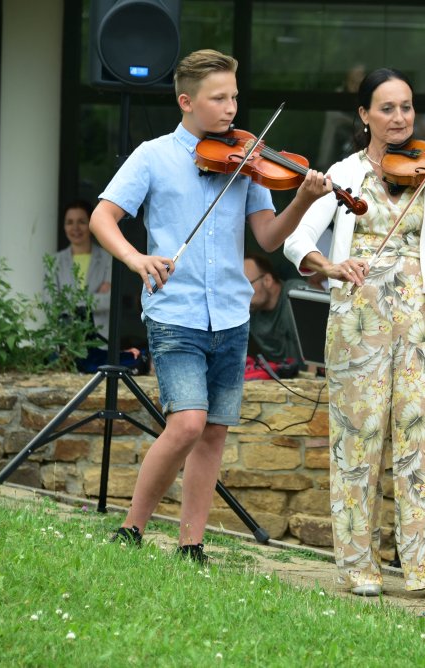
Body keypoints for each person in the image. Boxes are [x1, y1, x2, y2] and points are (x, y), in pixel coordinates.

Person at [90, 49, 331, 562]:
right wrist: (136, 258)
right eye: (218, 98)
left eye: (235, 97)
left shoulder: (246, 161)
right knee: (187, 424)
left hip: (231, 313)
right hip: (174, 312)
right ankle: (132, 527)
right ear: (186, 101)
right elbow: (103, 218)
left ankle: (191, 543)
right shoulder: (153, 156)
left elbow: (267, 237)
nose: (231, 108)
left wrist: (304, 201)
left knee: (214, 431)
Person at [283, 67, 425, 598]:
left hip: (424, 320)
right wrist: (328, 267)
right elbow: (296, 241)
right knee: (359, 441)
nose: (400, 118)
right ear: (364, 115)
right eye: (387, 108)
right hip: (358, 321)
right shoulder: (344, 173)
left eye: (406, 107)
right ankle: (359, 568)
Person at [50, 199, 112, 344]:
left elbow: (109, 301)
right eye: (70, 222)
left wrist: (68, 300)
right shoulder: (53, 262)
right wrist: (94, 297)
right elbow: (52, 304)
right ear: (64, 226)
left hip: (99, 339)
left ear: (91, 224)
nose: (75, 228)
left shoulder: (108, 258)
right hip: (65, 341)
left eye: (82, 222)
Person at [244, 253, 308, 365]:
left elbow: (319, 346)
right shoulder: (250, 311)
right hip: (279, 378)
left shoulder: (297, 295)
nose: (241, 294)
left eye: (246, 285)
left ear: (267, 280)